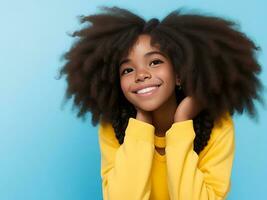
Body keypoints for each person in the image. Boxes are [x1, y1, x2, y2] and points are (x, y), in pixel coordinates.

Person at [57, 6, 264, 200]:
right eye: (127, 70)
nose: (141, 75)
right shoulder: (112, 128)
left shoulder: (218, 126)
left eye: (155, 62)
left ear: (179, 75)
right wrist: (142, 123)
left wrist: (182, 122)